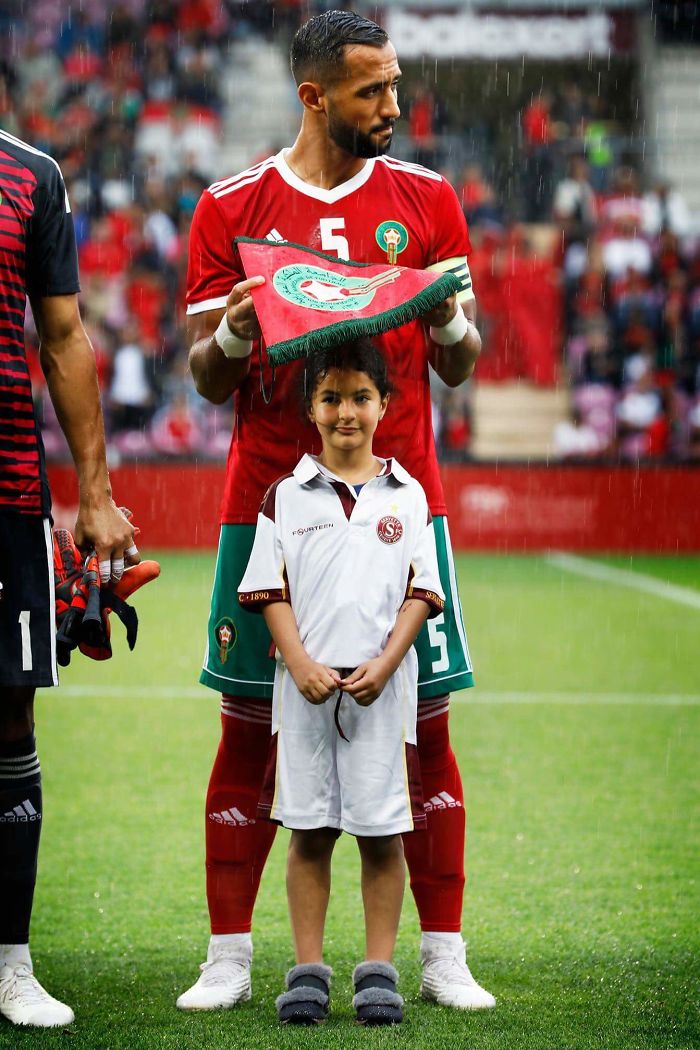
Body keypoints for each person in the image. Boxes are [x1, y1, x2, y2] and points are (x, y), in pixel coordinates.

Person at [180, 10, 494, 1012]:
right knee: (247, 733)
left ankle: (441, 954)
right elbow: (205, 381)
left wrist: (446, 315)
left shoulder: (428, 200)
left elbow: (457, 365)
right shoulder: (232, 205)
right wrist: (232, 332)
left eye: (396, 86)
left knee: (424, 733)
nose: (393, 106)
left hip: (402, 507)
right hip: (269, 507)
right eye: (372, 91)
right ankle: (229, 957)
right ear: (315, 98)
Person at [239, 340, 444, 1026]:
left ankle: (378, 971)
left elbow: (422, 590)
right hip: (303, 691)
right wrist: (298, 664)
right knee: (309, 829)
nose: (346, 412)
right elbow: (269, 590)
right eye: (331, 398)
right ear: (310, 408)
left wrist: (385, 664)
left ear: (385, 405)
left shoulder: (409, 494)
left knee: (383, 832)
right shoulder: (286, 495)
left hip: (385, 691)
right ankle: (307, 971)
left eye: (361, 397)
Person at [0, 129, 136, 1026]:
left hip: (6, 485)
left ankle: (10, 963)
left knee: (7, 711)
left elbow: (63, 334)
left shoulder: (32, 173)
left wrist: (95, 495)